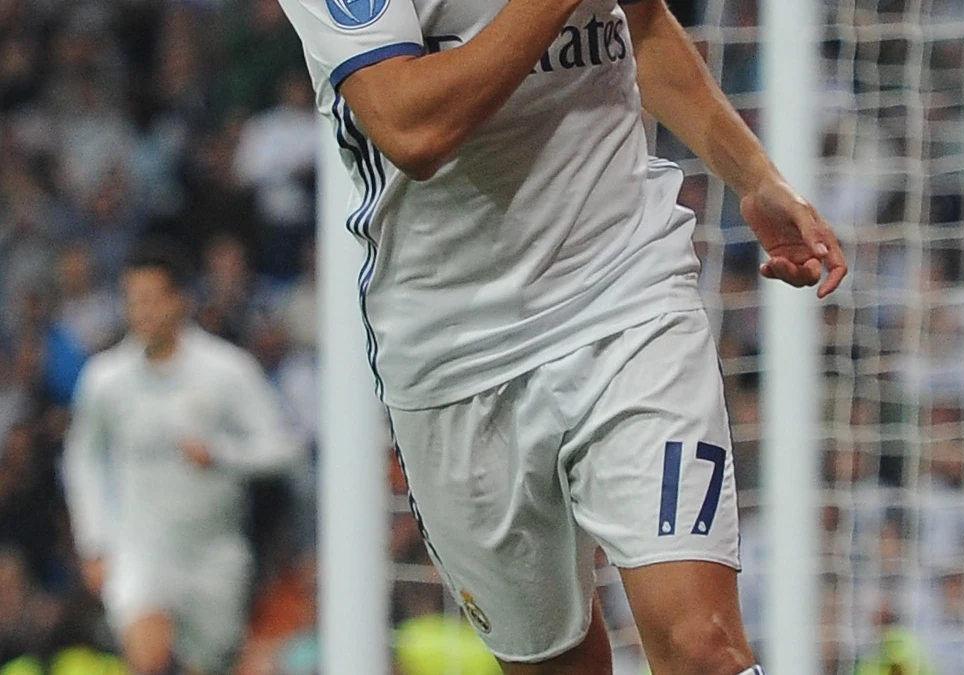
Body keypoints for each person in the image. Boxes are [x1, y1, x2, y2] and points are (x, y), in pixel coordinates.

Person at [277, 0, 847, 671]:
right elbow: (411, 125)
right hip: (453, 351)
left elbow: (643, 25)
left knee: (704, 647)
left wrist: (756, 175)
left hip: (626, 297)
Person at [62, 244, 300, 675]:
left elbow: (285, 449)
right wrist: (94, 540)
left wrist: (222, 455)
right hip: (141, 548)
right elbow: (83, 458)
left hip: (214, 553)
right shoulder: (105, 379)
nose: (143, 312)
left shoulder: (226, 370)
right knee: (147, 655)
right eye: (133, 300)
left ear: (180, 300)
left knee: (206, 665)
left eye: (153, 298)